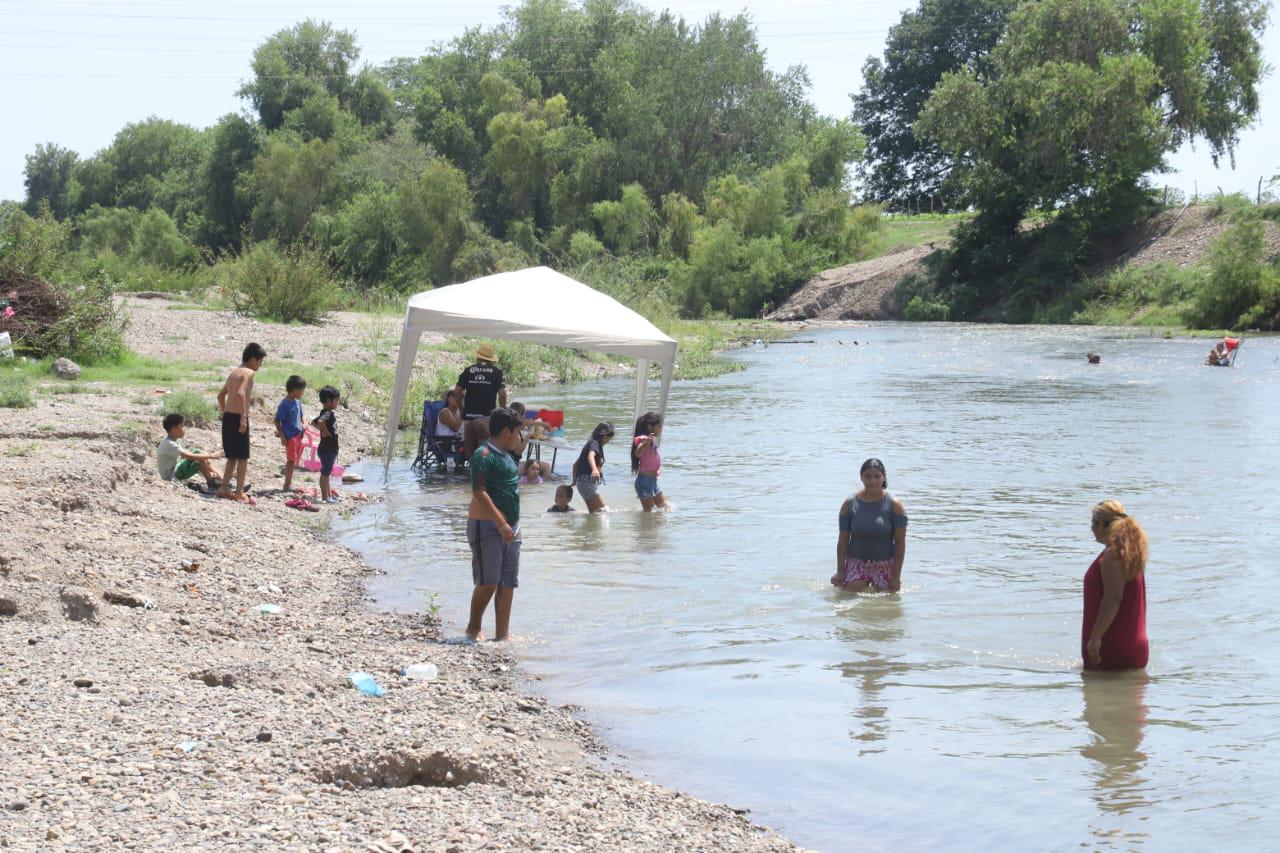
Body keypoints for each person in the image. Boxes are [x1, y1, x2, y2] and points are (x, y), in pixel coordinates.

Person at [466, 407, 524, 641]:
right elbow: (479, 492)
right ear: (506, 431)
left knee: (508, 582)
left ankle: (502, 635)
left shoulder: (508, 457)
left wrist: (510, 524)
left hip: (512, 527)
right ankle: (473, 628)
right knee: (488, 582)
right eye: (518, 433)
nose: (519, 438)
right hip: (488, 526)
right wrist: (500, 522)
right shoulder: (483, 455)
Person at [1082, 500, 1149, 671]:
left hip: (1112, 644)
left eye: (1092, 523)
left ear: (1101, 524)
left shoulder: (1112, 554)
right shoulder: (1131, 551)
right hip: (1134, 644)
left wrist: (1095, 637)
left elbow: (1113, 597)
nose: (1091, 528)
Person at [831, 458, 908, 593]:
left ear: (884, 477)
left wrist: (896, 576)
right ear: (861, 477)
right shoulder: (849, 504)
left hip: (884, 565)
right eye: (868, 476)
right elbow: (843, 540)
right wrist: (840, 572)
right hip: (856, 564)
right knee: (846, 597)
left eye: (877, 476)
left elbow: (900, 543)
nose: (872, 481)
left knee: (887, 600)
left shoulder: (895, 505)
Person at [216, 342, 265, 504]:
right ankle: (239, 492)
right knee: (243, 457)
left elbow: (220, 396)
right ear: (253, 359)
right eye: (260, 361)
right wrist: (243, 418)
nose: (260, 365)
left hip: (228, 417)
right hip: (238, 418)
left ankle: (224, 487)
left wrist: (225, 412)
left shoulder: (234, 373)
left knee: (232, 456)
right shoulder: (248, 373)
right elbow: (240, 392)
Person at [455, 344, 507, 462]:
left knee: (470, 451)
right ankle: (484, 471)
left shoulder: (468, 370)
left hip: (468, 417)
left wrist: (461, 408)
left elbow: (457, 390)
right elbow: (502, 394)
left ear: (478, 357)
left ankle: (471, 471)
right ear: (491, 360)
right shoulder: (497, 372)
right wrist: (503, 409)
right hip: (486, 417)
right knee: (484, 452)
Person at [156, 413, 222, 489]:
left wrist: (206, 458)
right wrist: (211, 456)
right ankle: (212, 482)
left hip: (176, 470)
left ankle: (223, 481)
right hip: (171, 476)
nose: (184, 429)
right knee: (200, 458)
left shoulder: (173, 441)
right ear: (174, 428)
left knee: (199, 453)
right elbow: (187, 456)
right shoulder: (169, 443)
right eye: (182, 426)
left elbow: (186, 456)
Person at [274, 375, 307, 493]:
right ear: (296, 390)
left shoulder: (297, 402)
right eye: (302, 390)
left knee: (295, 460)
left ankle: (289, 482)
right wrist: (282, 436)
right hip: (290, 436)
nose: (303, 393)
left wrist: (304, 424)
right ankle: (287, 485)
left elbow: (301, 416)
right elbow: (277, 421)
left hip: (298, 435)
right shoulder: (284, 404)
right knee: (291, 460)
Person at [573, 422, 615, 513]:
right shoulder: (595, 443)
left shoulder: (590, 443)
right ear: (605, 436)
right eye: (610, 438)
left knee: (594, 513)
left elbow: (575, 465)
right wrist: (595, 469)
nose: (609, 441)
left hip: (582, 483)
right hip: (586, 482)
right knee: (604, 511)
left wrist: (574, 481)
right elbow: (591, 456)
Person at [631, 411, 667, 512]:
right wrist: (646, 442)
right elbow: (638, 453)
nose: (660, 429)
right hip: (644, 482)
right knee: (649, 513)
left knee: (664, 507)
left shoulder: (652, 440)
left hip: (653, 481)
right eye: (659, 427)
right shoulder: (644, 439)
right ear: (650, 427)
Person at [311, 386, 341, 503]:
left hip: (326, 449)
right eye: (336, 400)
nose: (337, 403)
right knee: (325, 474)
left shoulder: (325, 412)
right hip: (328, 449)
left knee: (327, 473)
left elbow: (313, 422)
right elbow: (320, 421)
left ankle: (328, 496)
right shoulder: (327, 413)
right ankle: (325, 498)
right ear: (328, 401)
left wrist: (323, 430)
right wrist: (325, 431)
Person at [435, 388, 464, 469]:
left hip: (458, 443)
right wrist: (463, 412)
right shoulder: (445, 412)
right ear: (449, 398)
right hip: (445, 444)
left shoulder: (458, 413)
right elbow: (455, 428)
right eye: (455, 396)